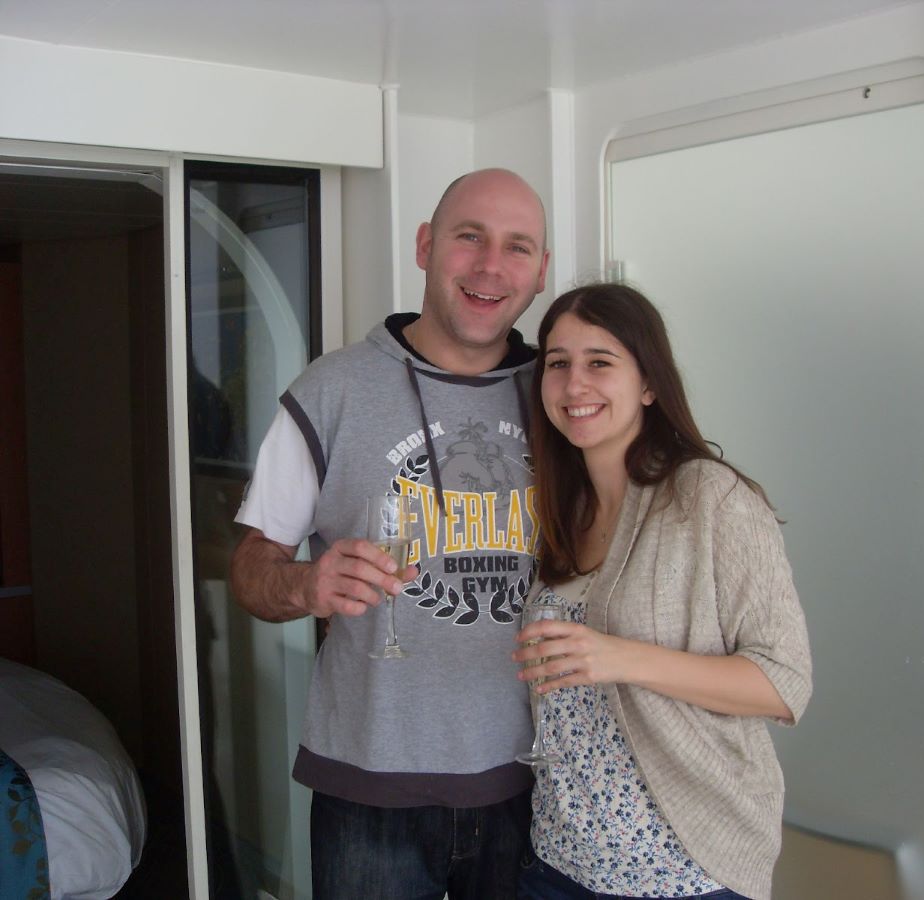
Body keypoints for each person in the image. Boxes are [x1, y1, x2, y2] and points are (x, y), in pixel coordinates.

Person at [230, 168, 551, 899]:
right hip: (370, 786)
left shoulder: (561, 398)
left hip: (536, 779)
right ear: (425, 246)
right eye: (469, 238)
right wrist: (305, 584)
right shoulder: (332, 389)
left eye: (517, 247)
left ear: (539, 272)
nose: (490, 267)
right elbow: (250, 567)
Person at [512, 283, 812, 900]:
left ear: (648, 384)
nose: (575, 384)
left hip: (683, 873)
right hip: (558, 863)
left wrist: (618, 657)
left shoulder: (710, 497)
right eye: (558, 363)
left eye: (600, 361)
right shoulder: (559, 508)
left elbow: (785, 684)